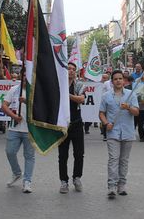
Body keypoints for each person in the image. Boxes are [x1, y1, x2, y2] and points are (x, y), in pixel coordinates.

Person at [99, 70, 139, 199]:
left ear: (124, 80)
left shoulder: (131, 95)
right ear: (112, 82)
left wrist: (128, 107)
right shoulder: (106, 96)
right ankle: (111, 186)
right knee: (113, 159)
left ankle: (122, 185)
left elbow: (136, 112)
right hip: (113, 132)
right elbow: (101, 113)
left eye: (120, 78)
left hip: (127, 132)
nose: (118, 81)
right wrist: (106, 123)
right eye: (115, 79)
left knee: (124, 160)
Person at [1, 76, 34, 194]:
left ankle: (27, 181)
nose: (26, 79)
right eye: (24, 76)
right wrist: (14, 116)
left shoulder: (36, 91)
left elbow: (42, 107)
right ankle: (17, 172)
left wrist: (26, 101)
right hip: (14, 128)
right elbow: (4, 106)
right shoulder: (14, 89)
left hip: (30, 130)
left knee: (29, 156)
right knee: (10, 151)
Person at [59, 62, 86, 194]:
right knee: (63, 155)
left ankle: (77, 178)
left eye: (73, 69)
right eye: (68, 69)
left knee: (79, 154)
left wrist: (67, 95)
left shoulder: (79, 85)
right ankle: (64, 181)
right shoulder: (59, 84)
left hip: (76, 123)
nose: (70, 71)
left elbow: (81, 99)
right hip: (62, 125)